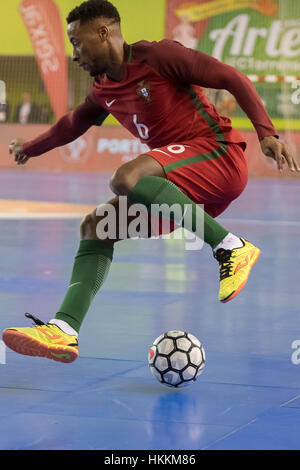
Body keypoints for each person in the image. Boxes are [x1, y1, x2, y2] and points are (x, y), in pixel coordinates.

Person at [2, 0, 299, 364]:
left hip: (218, 157)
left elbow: (230, 78)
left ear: (104, 32)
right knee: (97, 226)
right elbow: (72, 124)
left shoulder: (157, 57)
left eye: (77, 43)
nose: (74, 53)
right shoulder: (103, 89)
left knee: (127, 177)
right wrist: (30, 148)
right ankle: (64, 331)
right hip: (181, 189)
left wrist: (266, 133)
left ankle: (230, 247)